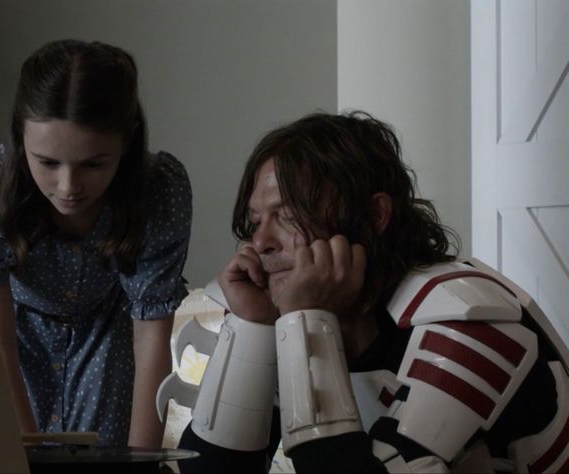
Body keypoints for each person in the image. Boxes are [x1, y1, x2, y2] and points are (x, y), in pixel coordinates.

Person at [159, 111, 568, 472]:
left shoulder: (469, 318)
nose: (261, 241)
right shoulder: (290, 316)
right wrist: (253, 326)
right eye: (255, 222)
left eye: (287, 216)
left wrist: (305, 321)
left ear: (373, 216)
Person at [0, 39, 192, 448]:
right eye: (48, 163)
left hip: (107, 339)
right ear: (21, 141)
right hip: (14, 342)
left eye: (94, 163)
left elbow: (151, 336)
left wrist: (141, 459)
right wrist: (28, 452)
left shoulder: (157, 190)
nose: (69, 187)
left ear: (126, 144)